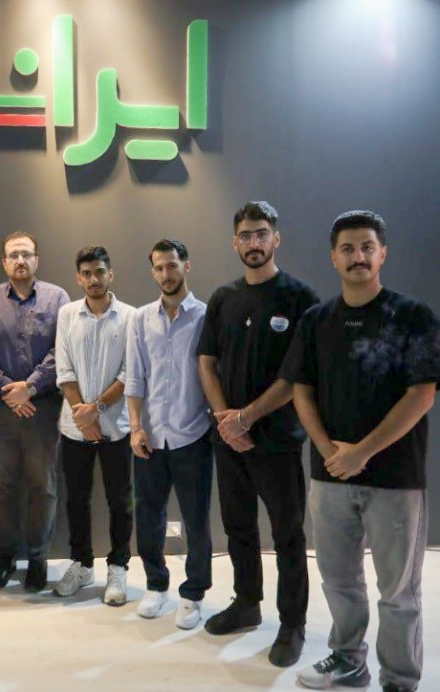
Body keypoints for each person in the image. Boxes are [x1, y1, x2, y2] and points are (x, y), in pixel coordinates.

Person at [281, 211, 438, 692]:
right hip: (329, 477)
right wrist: (330, 450)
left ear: (382, 253)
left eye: (367, 247)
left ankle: (399, 679)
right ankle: (348, 661)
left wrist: (361, 452)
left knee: (399, 592)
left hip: (395, 479)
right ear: (334, 257)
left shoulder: (413, 316)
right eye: (347, 249)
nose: (358, 257)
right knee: (339, 581)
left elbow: (422, 394)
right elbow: (301, 389)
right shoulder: (316, 321)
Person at [197, 201, 319, 667]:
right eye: (246, 235)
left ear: (276, 238)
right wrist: (226, 420)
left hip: (278, 441)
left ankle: (292, 623)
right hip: (229, 441)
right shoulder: (223, 298)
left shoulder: (300, 298)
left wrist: (245, 418)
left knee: (287, 534)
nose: (254, 243)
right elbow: (206, 363)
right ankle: (247, 603)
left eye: (262, 233)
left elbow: (296, 377)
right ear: (235, 242)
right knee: (238, 526)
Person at [125, 239, 213, 630]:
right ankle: (156, 585)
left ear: (186, 266)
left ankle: (193, 594)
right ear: (153, 272)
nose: (166, 274)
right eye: (159, 268)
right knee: (148, 516)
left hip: (192, 435)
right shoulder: (141, 318)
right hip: (150, 437)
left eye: (172, 265)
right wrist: (136, 428)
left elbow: (212, 373)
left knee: (196, 519)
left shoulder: (206, 316)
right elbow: (135, 377)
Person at [0, 232, 69, 592]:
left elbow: (62, 349)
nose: (20, 260)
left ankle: (38, 557)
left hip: (42, 408)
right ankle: (5, 557)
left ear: (36, 260)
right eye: (13, 254)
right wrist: (8, 390)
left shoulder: (57, 298)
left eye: (26, 254)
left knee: (42, 486)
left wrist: (29, 387)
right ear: (4, 262)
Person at [54, 246, 135, 603]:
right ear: (78, 278)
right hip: (75, 428)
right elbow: (64, 369)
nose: (93, 279)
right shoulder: (67, 314)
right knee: (77, 500)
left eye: (100, 272)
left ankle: (118, 567)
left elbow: (130, 372)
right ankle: (82, 564)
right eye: (86, 273)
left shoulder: (130, 316)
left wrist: (97, 409)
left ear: (110, 274)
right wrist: (82, 415)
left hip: (116, 426)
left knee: (120, 500)